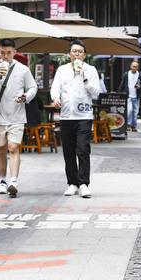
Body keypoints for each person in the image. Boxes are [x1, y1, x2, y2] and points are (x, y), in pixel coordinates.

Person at [0, 39, 37, 198]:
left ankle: (14, 181)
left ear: (14, 52)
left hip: (17, 115)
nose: (5, 56)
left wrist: (25, 97)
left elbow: (33, 87)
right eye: (2, 52)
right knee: (1, 150)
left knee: (13, 147)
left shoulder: (23, 69)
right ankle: (2, 181)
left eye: (9, 52)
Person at [52, 40, 101, 198]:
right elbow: (55, 87)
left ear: (85, 55)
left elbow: (96, 93)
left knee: (83, 149)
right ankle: (72, 183)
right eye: (74, 51)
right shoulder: (62, 70)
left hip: (84, 116)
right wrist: (55, 98)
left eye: (80, 51)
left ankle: (84, 183)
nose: (77, 54)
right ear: (69, 54)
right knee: (68, 150)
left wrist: (85, 78)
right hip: (66, 116)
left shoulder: (91, 70)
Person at [119, 60, 141, 131]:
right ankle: (128, 125)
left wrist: (140, 86)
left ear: (137, 68)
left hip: (136, 96)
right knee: (129, 110)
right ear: (130, 66)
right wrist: (119, 92)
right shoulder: (126, 74)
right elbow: (122, 84)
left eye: (136, 67)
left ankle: (134, 126)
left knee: (135, 112)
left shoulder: (140, 75)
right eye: (133, 66)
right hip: (128, 96)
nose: (134, 68)